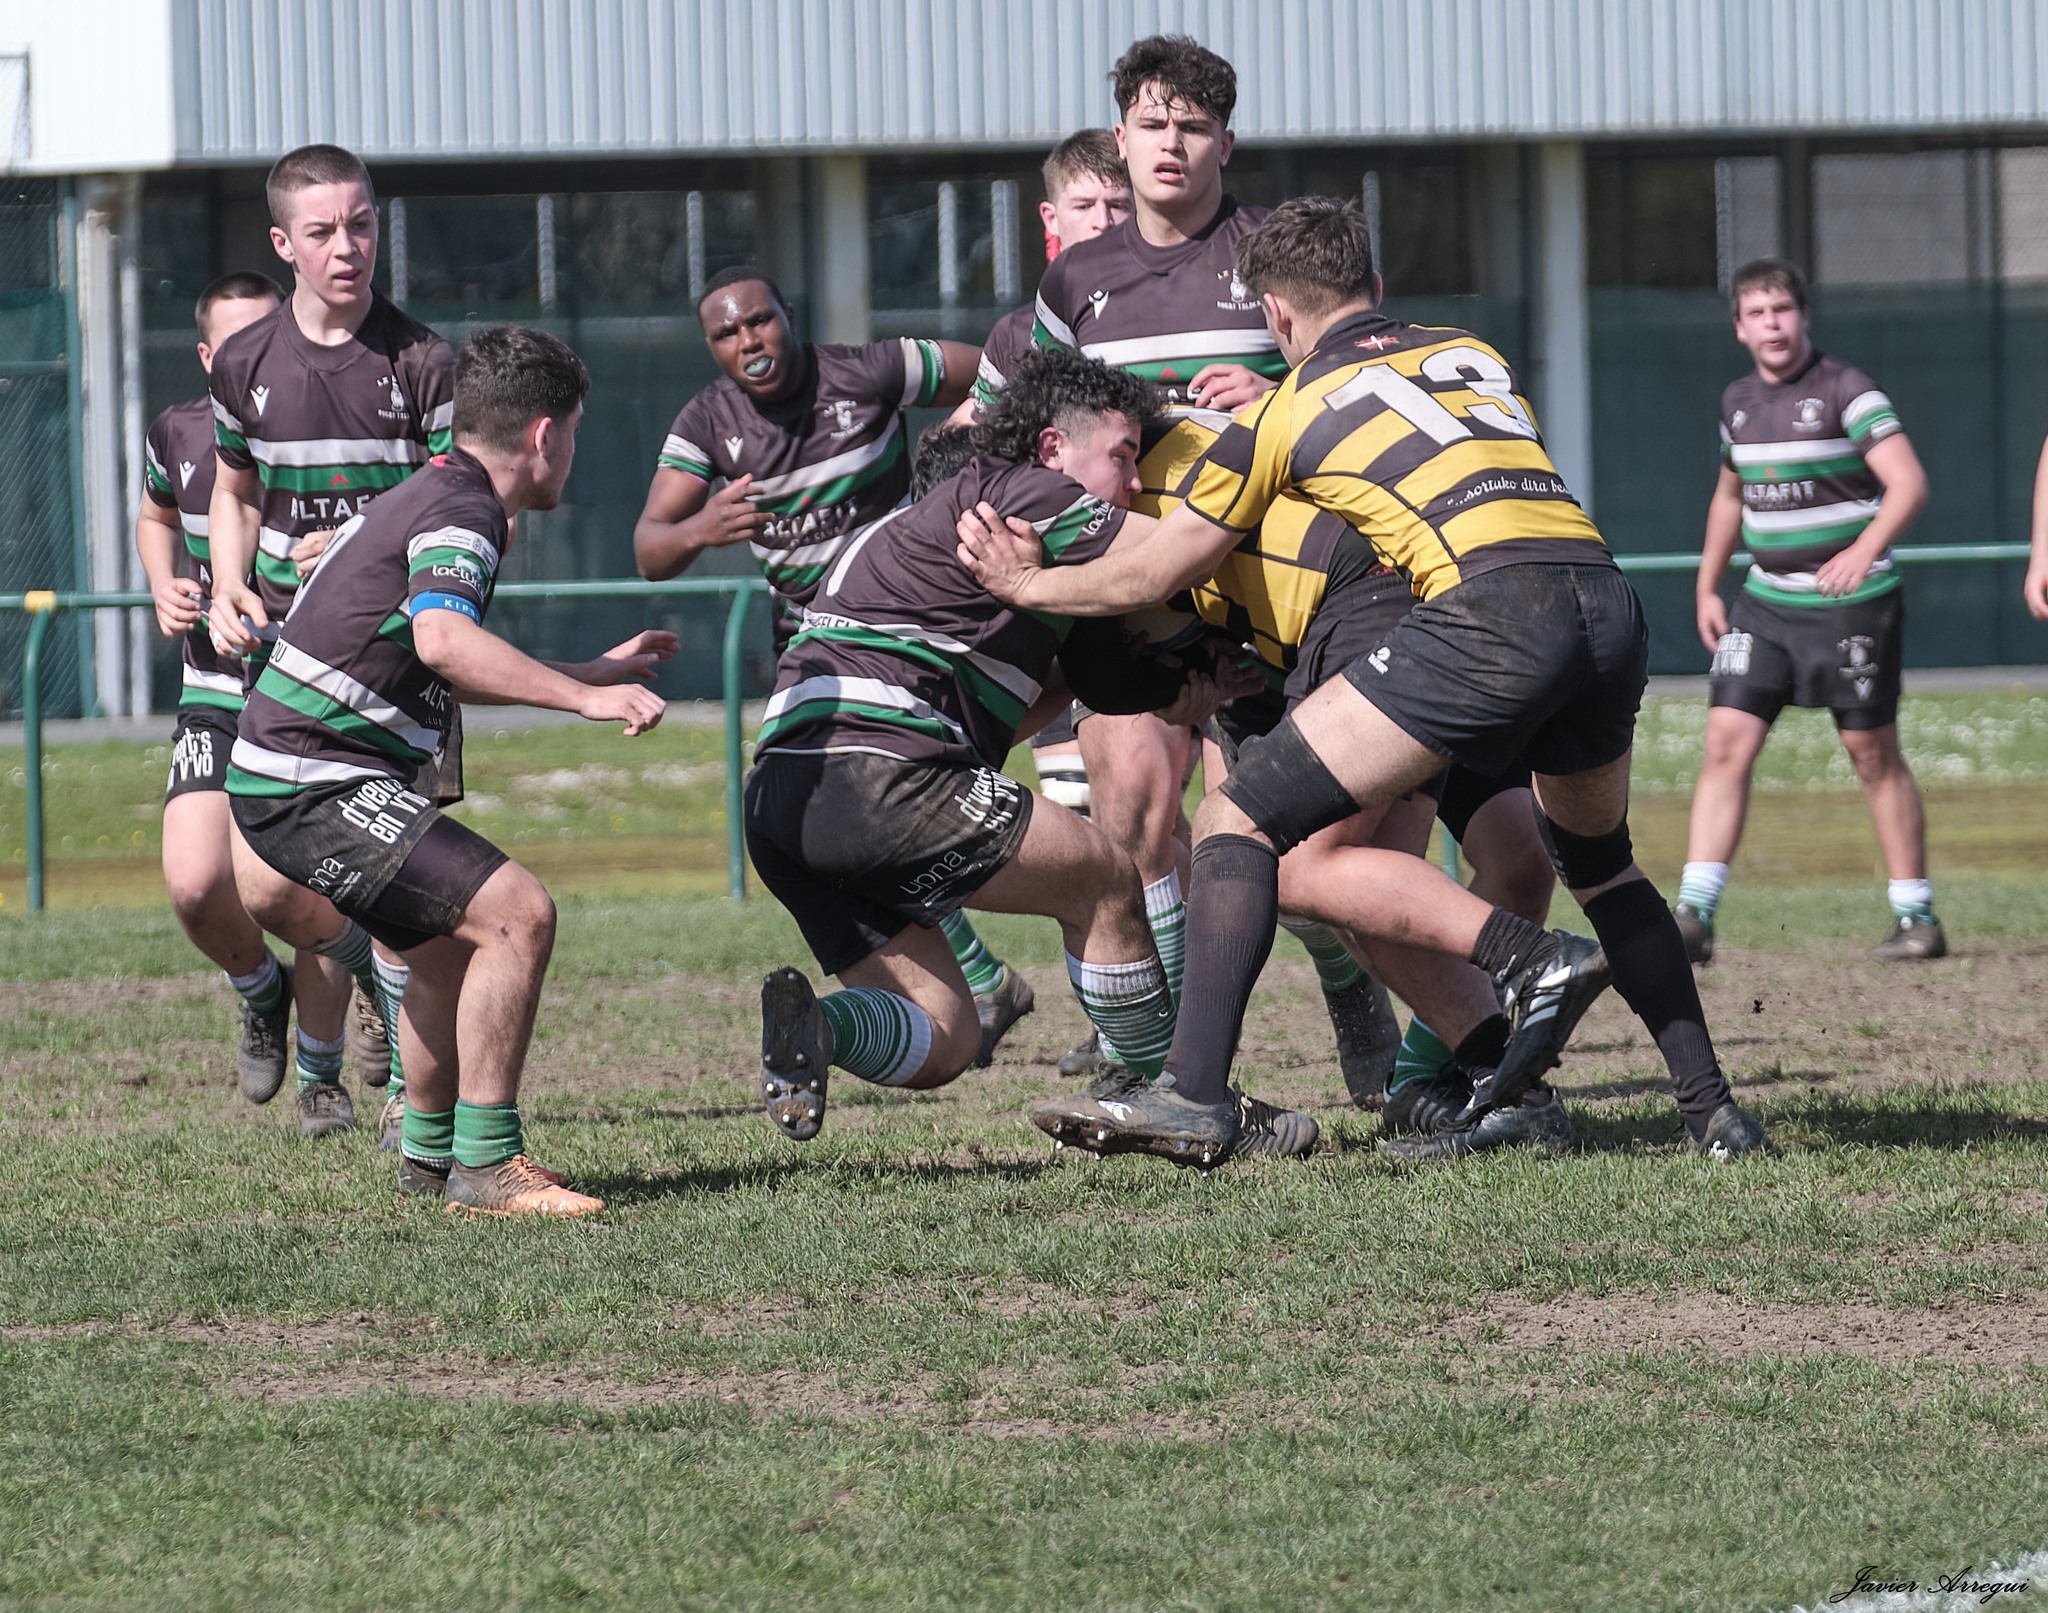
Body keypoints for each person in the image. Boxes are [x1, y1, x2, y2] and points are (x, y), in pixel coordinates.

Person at [959, 197, 1770, 1166]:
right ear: (1374, 288)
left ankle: (1202, 1090)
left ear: (1274, 317)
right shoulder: (1469, 350)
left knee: (1238, 827)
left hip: (1480, 613)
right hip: (1601, 599)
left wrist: (1027, 580)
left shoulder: (1283, 410)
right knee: (1598, 865)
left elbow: (1153, 568)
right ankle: (1713, 1114)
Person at [744, 346, 1301, 1153]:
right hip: (879, 766)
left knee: (948, 1034)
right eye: (1122, 455)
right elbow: (1168, 560)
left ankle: (820, 1029)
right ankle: (1177, 1100)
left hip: (784, 798)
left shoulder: (922, 530)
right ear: (1050, 447)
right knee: (1108, 878)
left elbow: (1051, 692)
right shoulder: (1023, 492)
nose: (1137, 480)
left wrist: (1178, 689)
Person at [1020, 36, 1397, 1095]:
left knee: (1265, 836)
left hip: (1274, 593)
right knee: (1134, 813)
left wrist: (1277, 394)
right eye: (1151, 123)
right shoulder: (1076, 281)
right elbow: (1039, 423)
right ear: (1121, 136)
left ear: (1225, 140)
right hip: (1133, 588)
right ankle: (1167, 1062)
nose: (1171, 144)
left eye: (1191, 126)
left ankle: (1344, 981)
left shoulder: (1270, 255)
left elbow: (1366, 387)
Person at [227, 324, 673, 1217]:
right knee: (519, 914)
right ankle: (491, 1165)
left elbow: (429, 652)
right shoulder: (465, 510)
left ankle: (429, 1157)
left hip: (295, 771)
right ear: (545, 435)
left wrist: (590, 673)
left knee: (442, 948)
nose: (572, 454)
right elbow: (443, 639)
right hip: (313, 778)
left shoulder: (434, 490)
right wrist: (585, 703)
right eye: (574, 433)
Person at [630, 272, 1037, 1068]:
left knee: (904, 800)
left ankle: (990, 981)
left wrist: (963, 444)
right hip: (811, 649)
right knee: (855, 814)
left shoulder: (871, 370)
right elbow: (650, 546)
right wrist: (703, 526)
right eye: (726, 334)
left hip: (916, 627)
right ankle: (984, 980)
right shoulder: (707, 422)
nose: (748, 342)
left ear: (791, 318)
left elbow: (1000, 370)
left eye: (760, 321)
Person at [207, 143, 459, 1143]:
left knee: (415, 892)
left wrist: (359, 549)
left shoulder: (426, 361)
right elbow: (230, 493)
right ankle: (365, 985)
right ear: (284, 244)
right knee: (266, 881)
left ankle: (415, 1096)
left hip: (400, 665)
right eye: (322, 231)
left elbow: (467, 505)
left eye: (361, 224)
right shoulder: (244, 363)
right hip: (288, 668)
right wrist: (229, 580)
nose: (347, 246)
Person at [1678, 258, 1940, 964]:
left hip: (1852, 605)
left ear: (1804, 317)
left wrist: (1865, 548)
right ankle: (1694, 915)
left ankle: (1917, 915)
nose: (1773, 324)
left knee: (1870, 751)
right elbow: (1730, 498)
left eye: (1783, 310)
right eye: (1758, 313)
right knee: (1726, 740)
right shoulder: (1736, 401)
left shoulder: (1847, 390)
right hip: (1764, 604)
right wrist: (1708, 585)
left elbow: (1908, 483)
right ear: (1739, 327)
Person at [137, 270, 327, 1102]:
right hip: (217, 689)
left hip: (311, 687)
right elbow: (155, 515)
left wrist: (342, 549)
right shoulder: (176, 431)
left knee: (301, 884)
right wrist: (163, 581)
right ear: (209, 354)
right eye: (238, 343)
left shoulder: (326, 429)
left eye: (271, 335)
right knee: (194, 882)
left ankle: (333, 1068)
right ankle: (260, 990)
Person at [957, 128, 1134, 818]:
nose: (1102, 220)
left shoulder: (1175, 318)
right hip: (1059, 597)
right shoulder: (1015, 337)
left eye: (1117, 204)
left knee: (1245, 830)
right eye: (1085, 203)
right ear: (1050, 218)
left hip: (1175, 571)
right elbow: (985, 454)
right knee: (1103, 816)